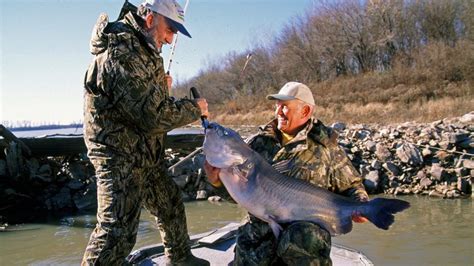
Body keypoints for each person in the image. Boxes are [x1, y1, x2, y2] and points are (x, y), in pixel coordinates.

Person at [82, 0, 209, 265]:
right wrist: (193, 108)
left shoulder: (145, 49)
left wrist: (161, 89)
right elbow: (152, 116)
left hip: (144, 154)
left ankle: (181, 259)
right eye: (170, 29)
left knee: (170, 204)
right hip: (118, 156)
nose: (171, 38)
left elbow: (149, 105)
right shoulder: (122, 52)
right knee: (116, 234)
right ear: (150, 19)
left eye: (176, 32)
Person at [204, 81, 369, 266]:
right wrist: (216, 183)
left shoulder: (326, 148)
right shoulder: (257, 144)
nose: (279, 112)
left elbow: (353, 186)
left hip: (302, 244)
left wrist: (362, 205)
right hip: (258, 241)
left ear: (305, 111)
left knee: (304, 236)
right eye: (278, 106)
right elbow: (239, 195)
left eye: (285, 107)